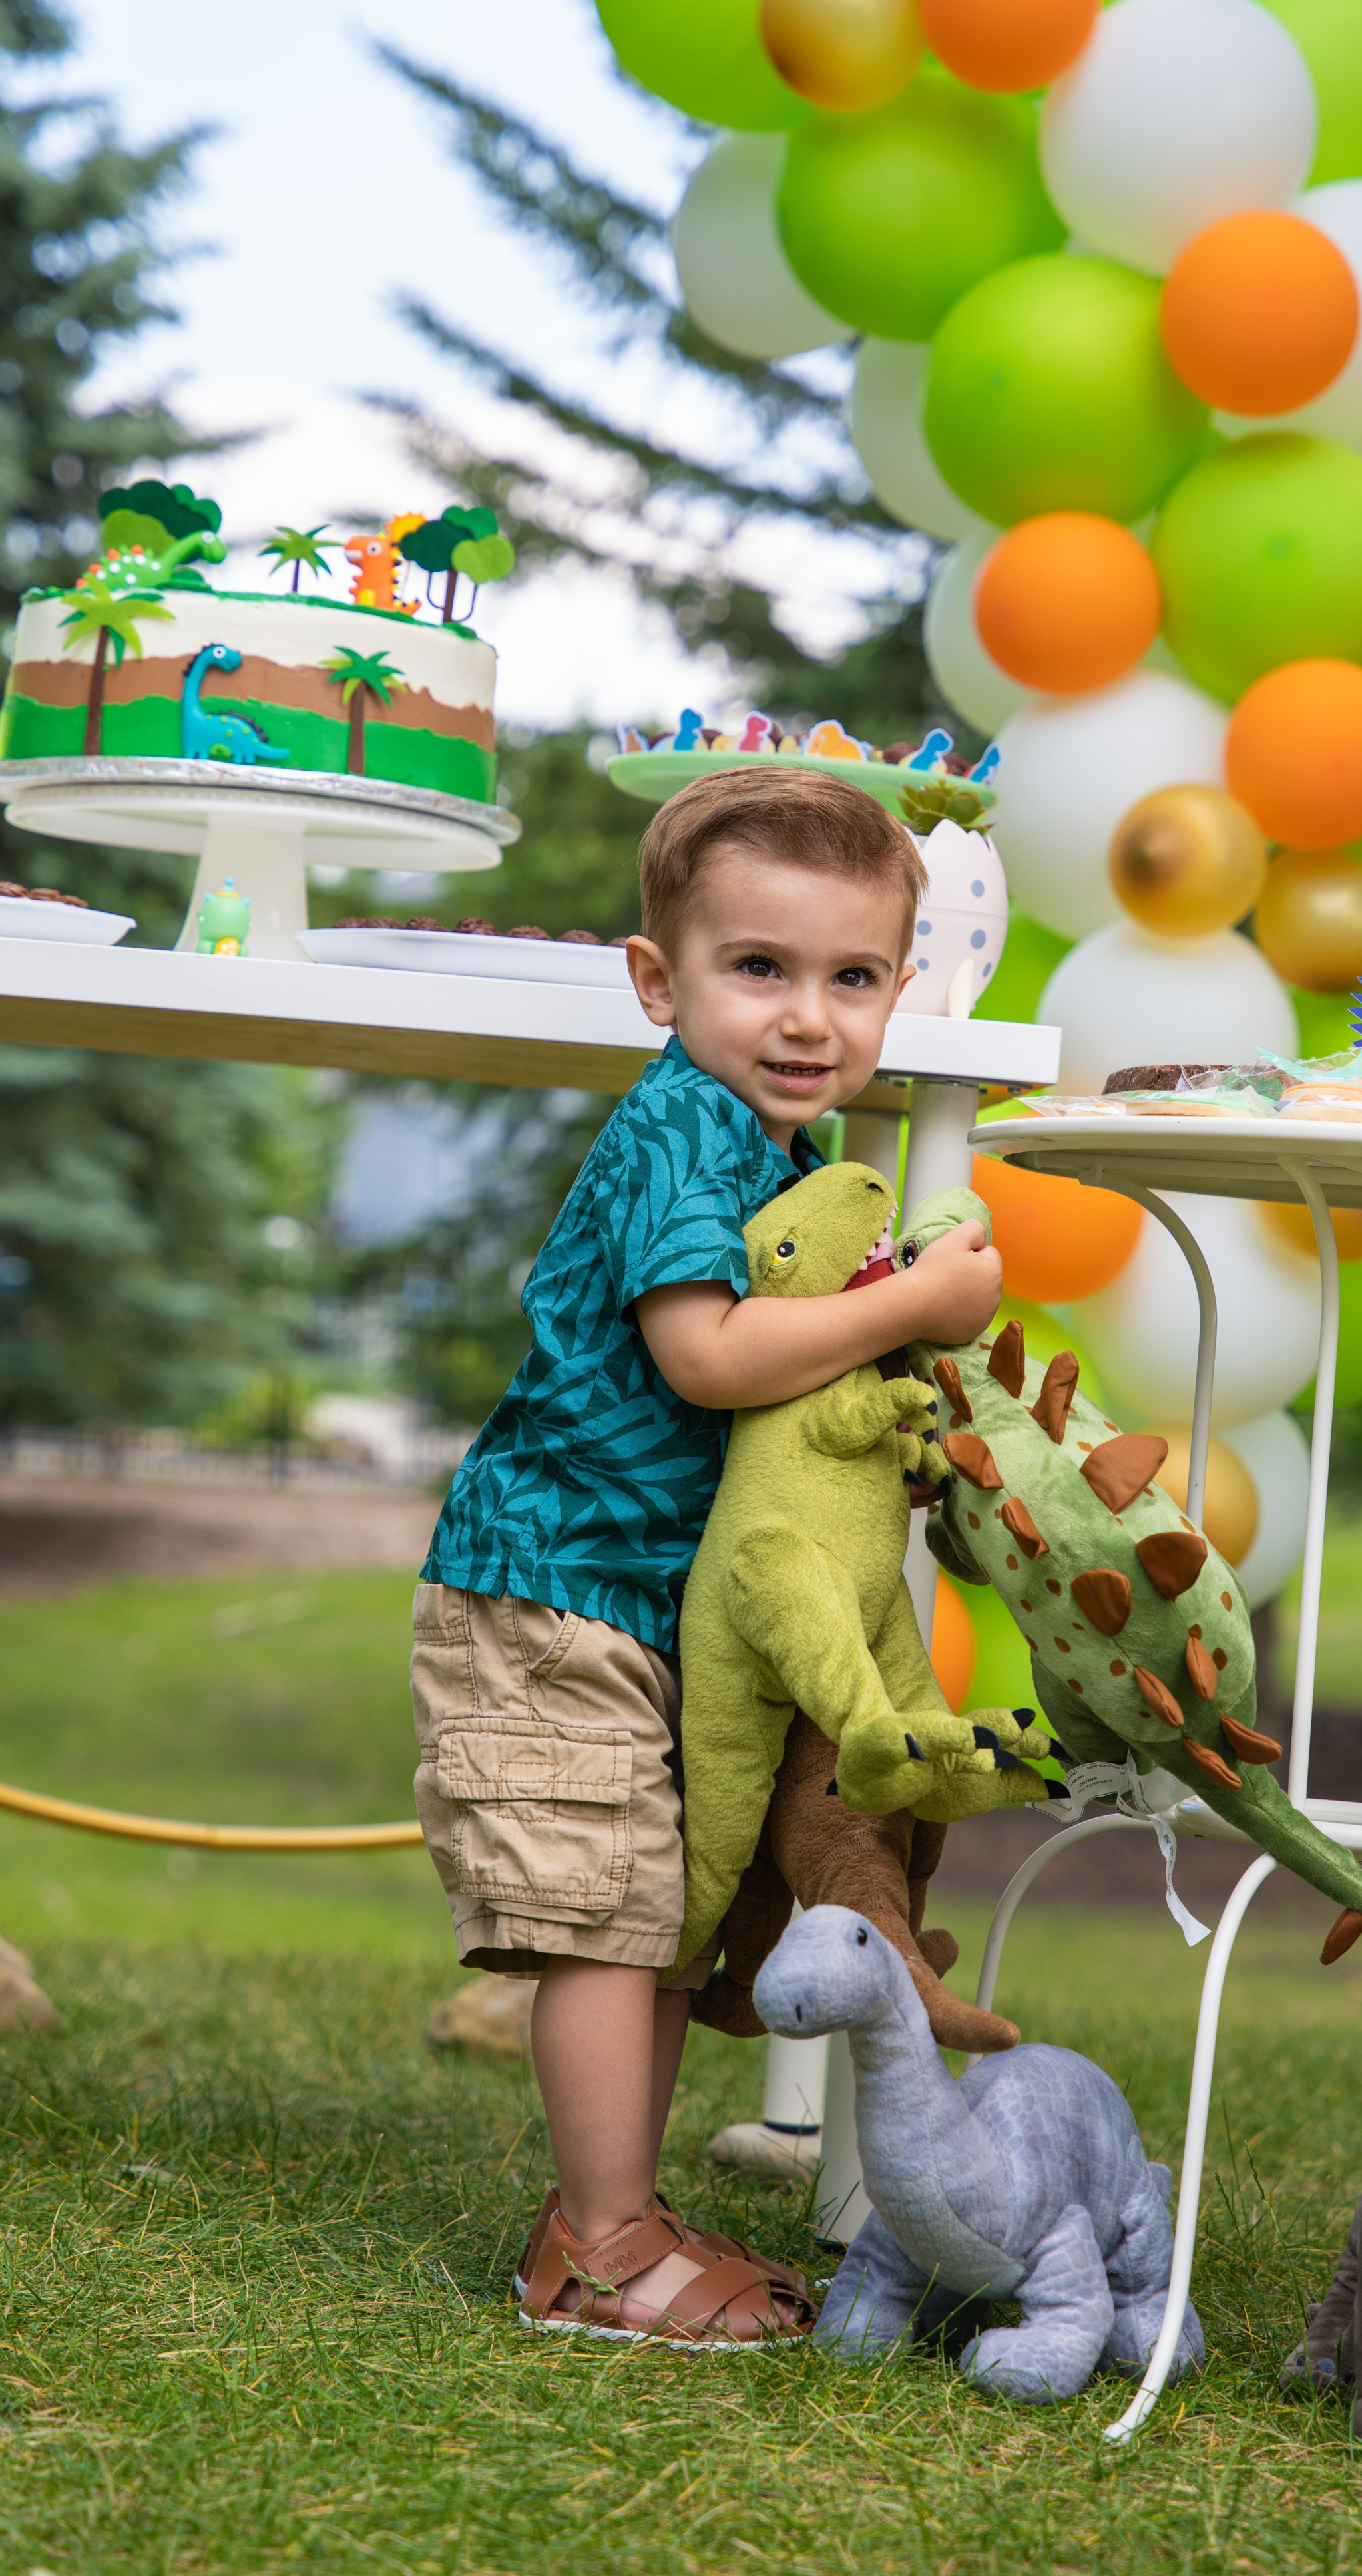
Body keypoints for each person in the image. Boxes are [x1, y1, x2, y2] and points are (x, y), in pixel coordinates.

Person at [410, 765, 1003, 2345]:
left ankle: (616, 2215)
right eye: (761, 968)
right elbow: (713, 1355)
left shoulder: (775, 1144)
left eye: (853, 976)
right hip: (554, 1585)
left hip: (650, 1601)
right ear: (659, 981)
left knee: (658, 1908)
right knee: (606, 1920)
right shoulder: (685, 1126)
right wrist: (912, 1311)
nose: (810, 1015)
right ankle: (598, 2252)